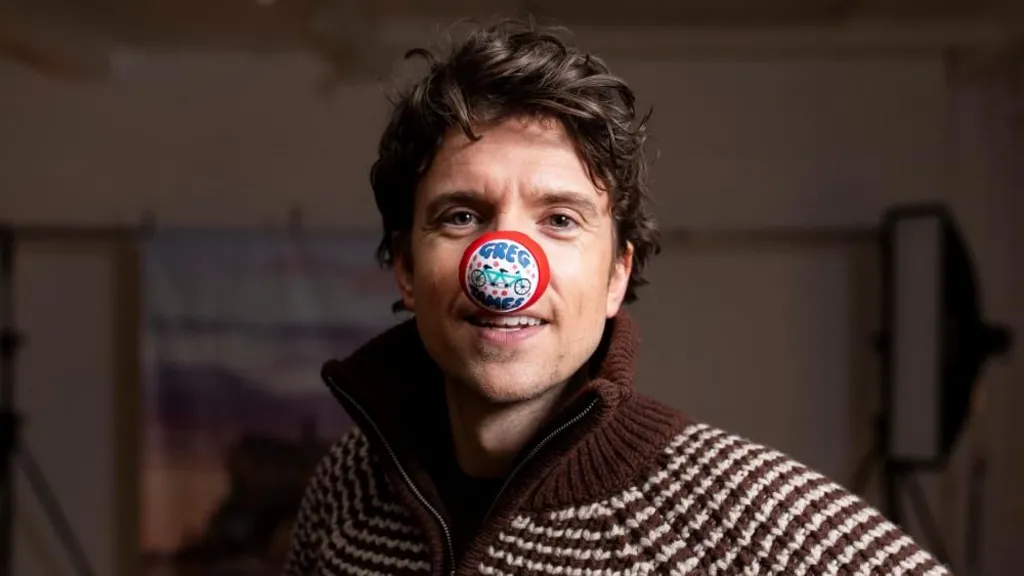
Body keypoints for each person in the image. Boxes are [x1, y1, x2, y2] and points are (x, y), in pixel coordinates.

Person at [282, 19, 952, 576]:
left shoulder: (745, 520)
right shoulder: (347, 491)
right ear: (404, 265)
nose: (508, 266)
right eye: (462, 216)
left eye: (560, 219)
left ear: (616, 277)